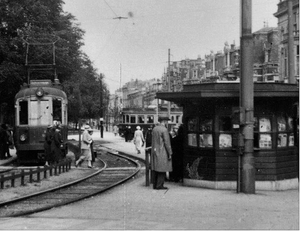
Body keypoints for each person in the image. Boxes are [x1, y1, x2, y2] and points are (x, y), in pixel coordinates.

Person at [151, 116, 173, 190]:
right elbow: (167, 143)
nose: (167, 122)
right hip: (162, 151)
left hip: (155, 151)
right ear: (164, 121)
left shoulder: (155, 129)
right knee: (162, 169)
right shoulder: (164, 130)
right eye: (166, 121)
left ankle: (155, 184)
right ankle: (159, 185)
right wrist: (170, 153)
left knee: (156, 168)